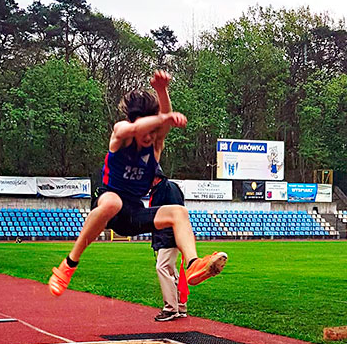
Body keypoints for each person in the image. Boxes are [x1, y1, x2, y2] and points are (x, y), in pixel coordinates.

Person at [48, 71, 227, 296]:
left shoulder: (155, 146)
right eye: (147, 130)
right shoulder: (121, 133)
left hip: (134, 213)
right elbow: (137, 127)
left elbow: (162, 123)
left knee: (179, 212)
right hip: (108, 202)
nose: (150, 136)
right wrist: (163, 118)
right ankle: (68, 265)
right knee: (112, 203)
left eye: (154, 132)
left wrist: (162, 91)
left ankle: (193, 265)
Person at [149, 170, 189, 322]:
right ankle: (180, 305)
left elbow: (174, 214)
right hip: (169, 234)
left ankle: (171, 308)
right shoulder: (165, 188)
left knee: (162, 267)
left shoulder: (165, 189)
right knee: (170, 269)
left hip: (169, 235)